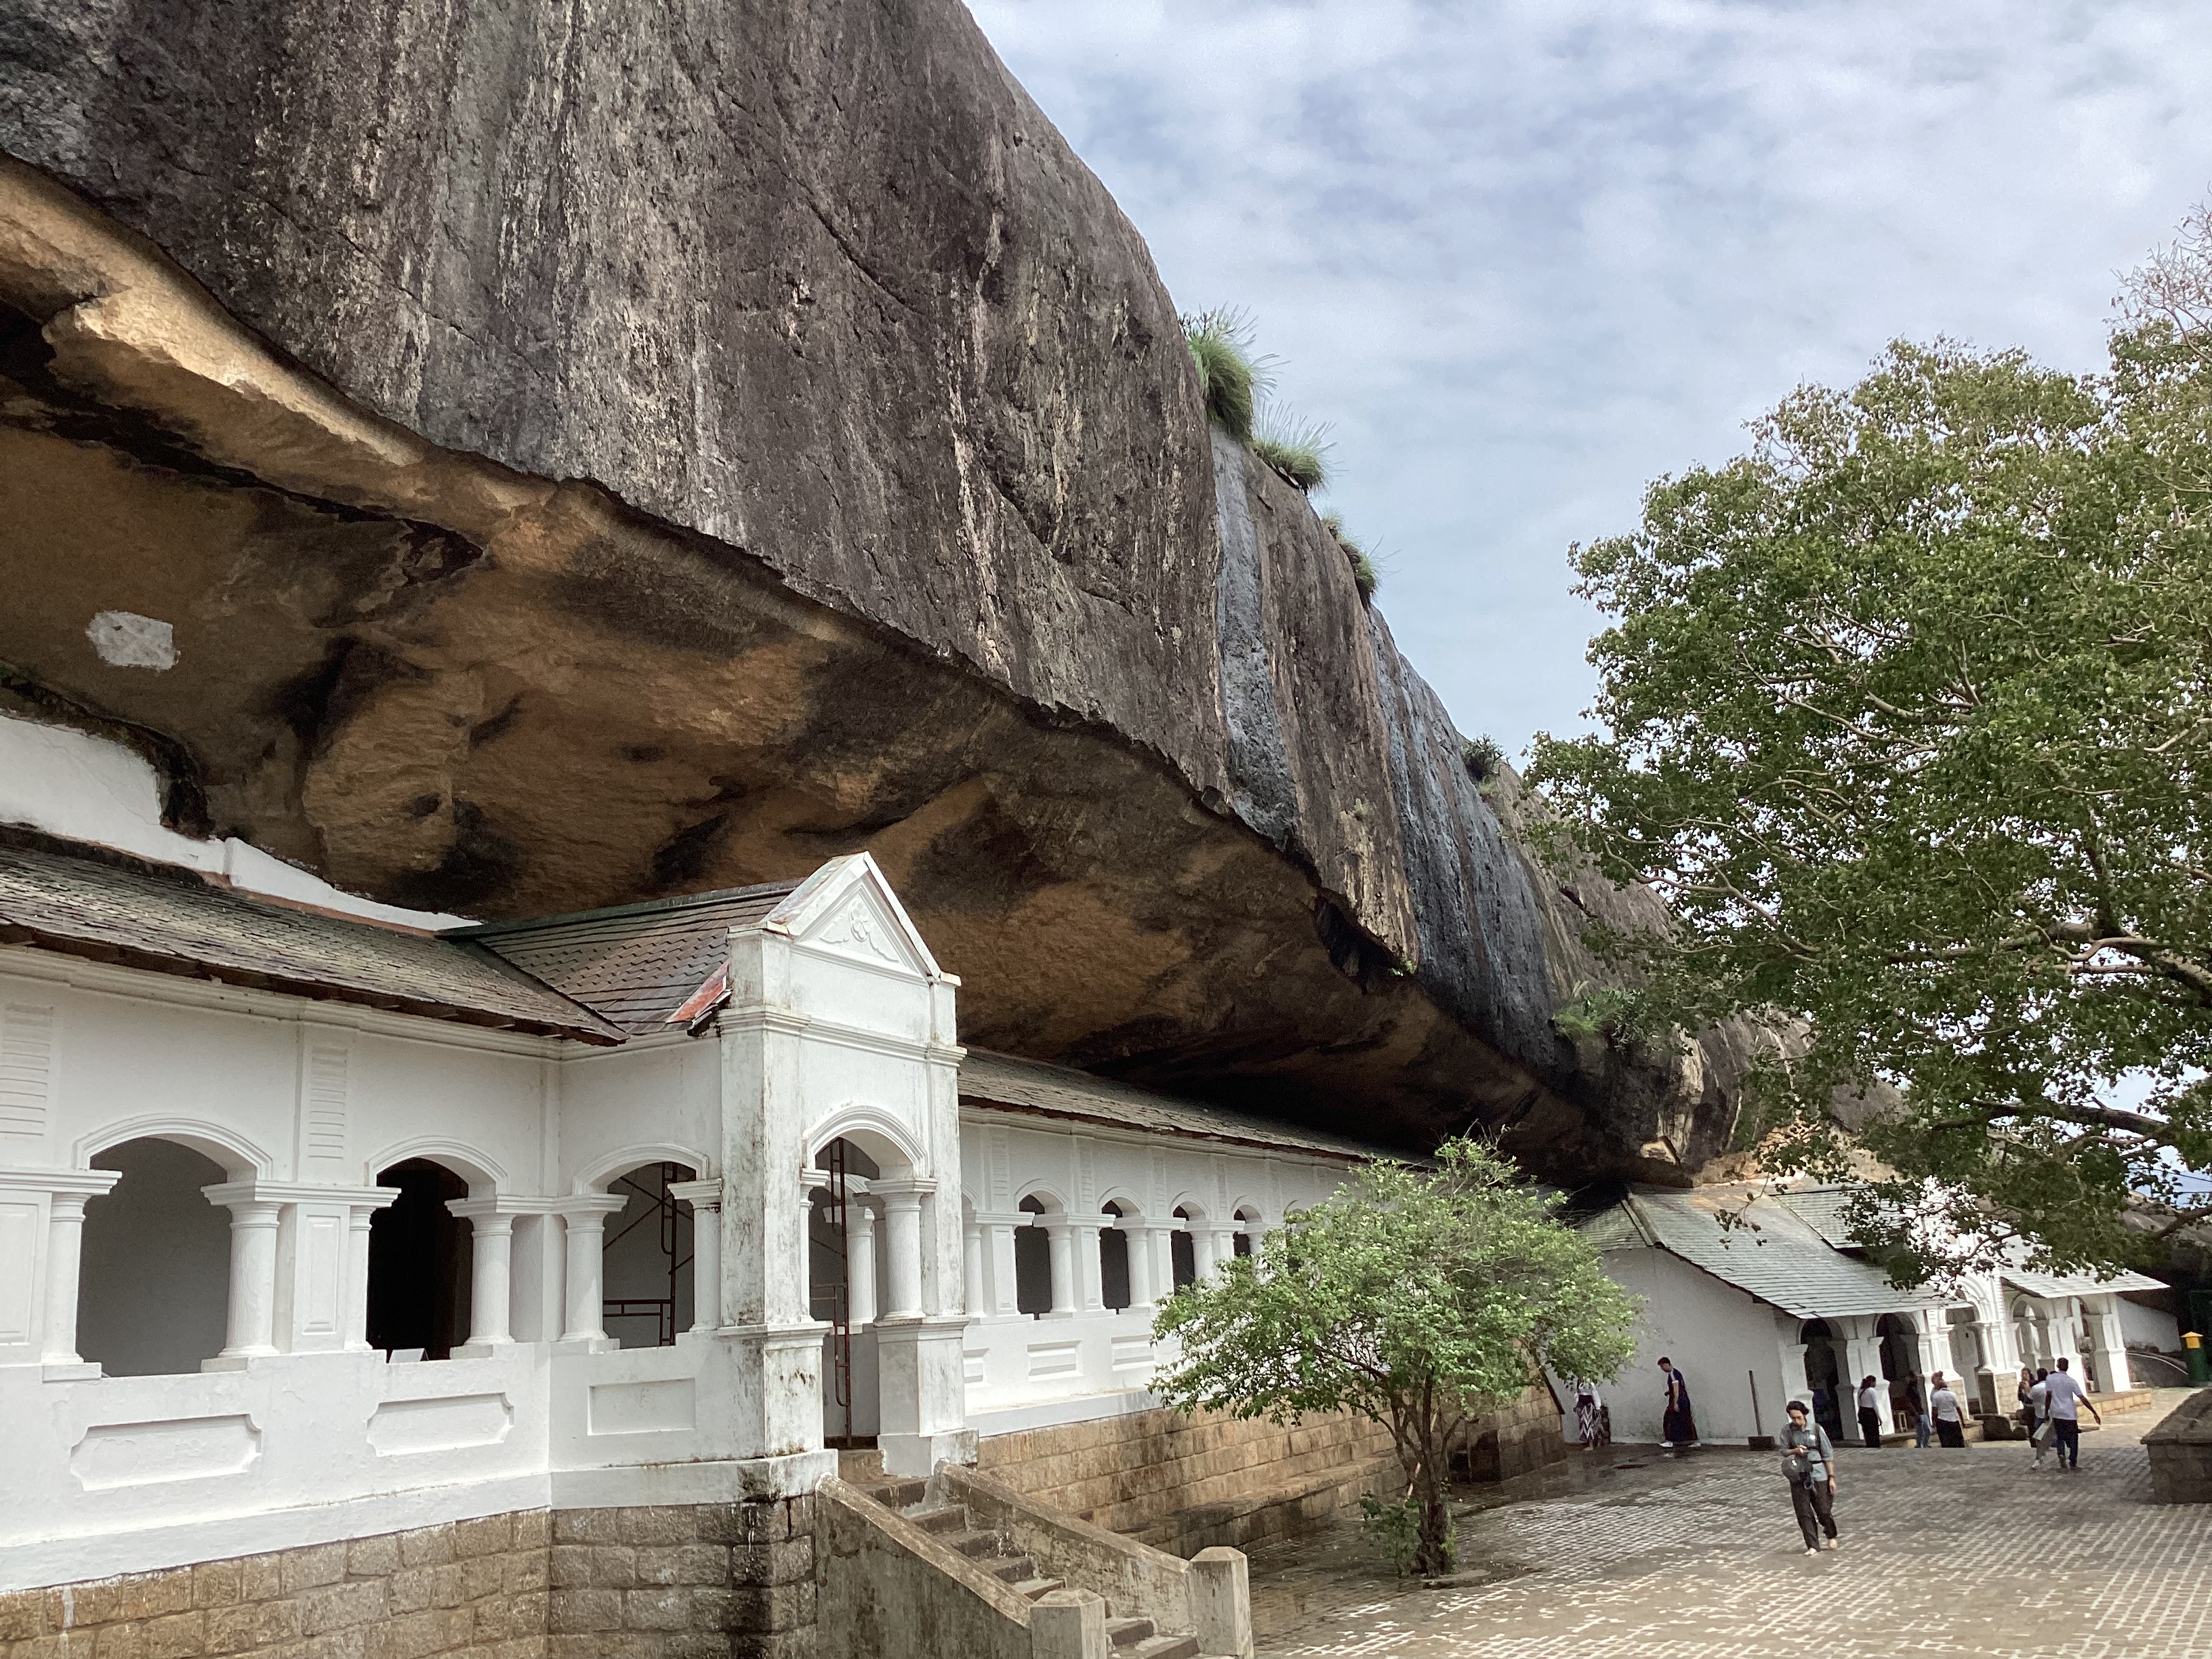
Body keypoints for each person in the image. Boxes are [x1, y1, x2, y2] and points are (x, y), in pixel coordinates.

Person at [1780, 1399, 1840, 1555]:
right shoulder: (1787, 1431)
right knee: (1803, 1511)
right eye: (1793, 1418)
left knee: (1823, 1509)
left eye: (1799, 1417)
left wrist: (1831, 1477)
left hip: (1818, 1472)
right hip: (1799, 1473)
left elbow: (1827, 1454)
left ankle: (1830, 1532)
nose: (1796, 1421)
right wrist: (1795, 1451)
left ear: (1805, 1415)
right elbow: (1783, 1450)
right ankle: (1813, 1545)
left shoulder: (1816, 1429)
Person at [2041, 1357, 2103, 1471]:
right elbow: (2082, 1398)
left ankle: (2061, 1453)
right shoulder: (2071, 1381)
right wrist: (2094, 1412)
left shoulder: (2050, 1378)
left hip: (2057, 1413)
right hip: (2070, 1413)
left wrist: (2046, 1412)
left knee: (2060, 1436)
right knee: (2073, 1437)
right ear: (2067, 1367)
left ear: (2057, 1366)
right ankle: (2073, 1462)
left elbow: (2048, 1396)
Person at [1658, 1357, 1700, 1448]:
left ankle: (1670, 1441)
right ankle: (1694, 1440)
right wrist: (1669, 1392)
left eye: (1662, 1366)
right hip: (1684, 1399)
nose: (1662, 1369)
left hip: (1679, 1399)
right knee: (1686, 1419)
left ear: (1667, 1364)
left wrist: (1675, 1403)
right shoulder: (1676, 1373)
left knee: (1669, 1419)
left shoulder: (1673, 1374)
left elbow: (1676, 1388)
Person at [1928, 1370, 1969, 1448]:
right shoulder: (1952, 1395)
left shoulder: (1936, 1395)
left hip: (1942, 1420)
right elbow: (1958, 1409)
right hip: (1954, 1420)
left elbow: (1934, 1411)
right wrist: (1962, 1421)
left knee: (1946, 1442)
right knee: (1958, 1441)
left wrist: (1933, 1421)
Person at [1573, 1380, 1610, 1450]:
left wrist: (1598, 1406)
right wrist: (1576, 1405)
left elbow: (1594, 1392)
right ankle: (1590, 1443)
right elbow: (1577, 1393)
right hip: (1581, 1405)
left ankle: (1592, 1445)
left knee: (1589, 1424)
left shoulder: (1589, 1381)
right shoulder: (1579, 1381)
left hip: (1588, 1405)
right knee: (1584, 1424)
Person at [2028, 1367, 2053, 1470]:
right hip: (2051, 1414)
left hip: (2039, 1414)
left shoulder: (2035, 1388)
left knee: (2039, 1437)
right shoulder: (2051, 1386)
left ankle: (2039, 1457)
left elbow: (2029, 1398)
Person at [1901, 1374, 1931, 1448]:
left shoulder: (1916, 1388)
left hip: (1921, 1411)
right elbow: (1909, 1402)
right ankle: (1920, 1445)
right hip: (1917, 1412)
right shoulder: (1910, 1389)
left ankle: (1925, 1444)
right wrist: (1914, 1412)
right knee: (1921, 1430)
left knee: (1927, 1430)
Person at [1856, 1374, 1885, 1448]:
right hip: (1870, 1412)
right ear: (1872, 1382)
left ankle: (1869, 1444)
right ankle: (1875, 1444)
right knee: (1873, 1430)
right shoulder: (1872, 1391)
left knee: (1866, 1430)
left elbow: (1859, 1403)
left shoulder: (1860, 1391)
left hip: (1862, 1411)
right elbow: (1875, 1405)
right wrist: (1879, 1417)